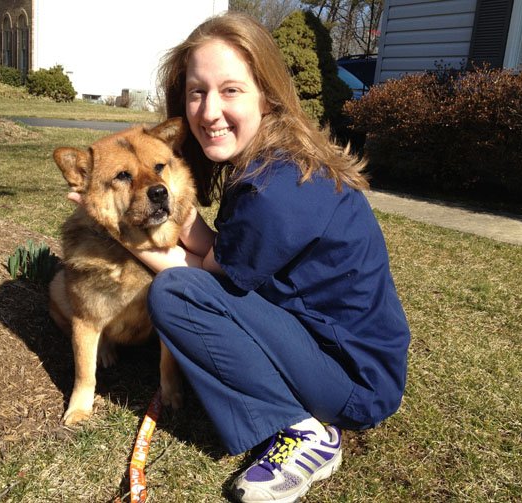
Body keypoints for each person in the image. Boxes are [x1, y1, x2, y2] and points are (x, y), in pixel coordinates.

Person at [71, 12, 410, 503]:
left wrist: (117, 232)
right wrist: (184, 226)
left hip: (354, 381)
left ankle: (306, 432)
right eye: (196, 92)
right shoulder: (272, 162)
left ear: (267, 93)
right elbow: (225, 257)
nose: (209, 110)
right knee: (189, 287)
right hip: (340, 351)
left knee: (175, 293)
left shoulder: (277, 189)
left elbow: (204, 280)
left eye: (230, 90)